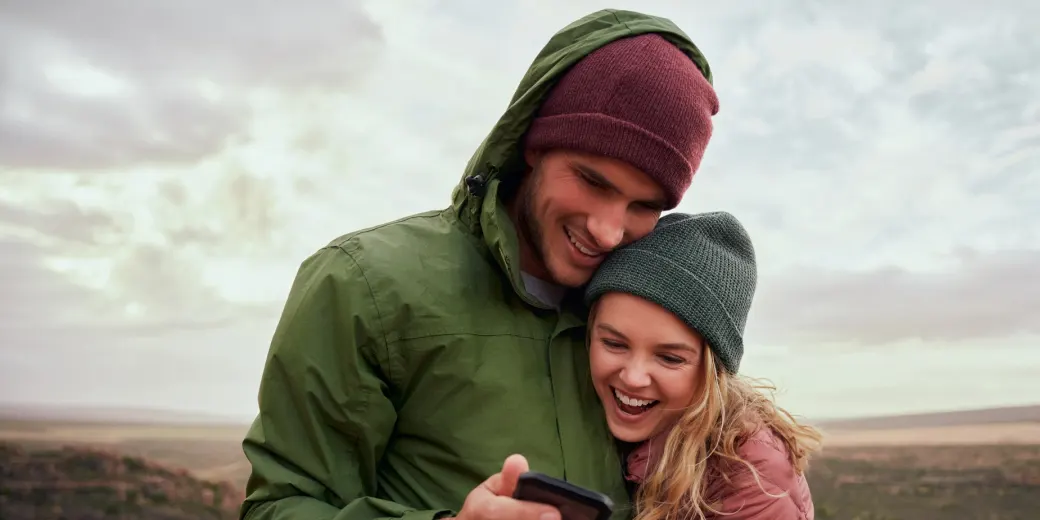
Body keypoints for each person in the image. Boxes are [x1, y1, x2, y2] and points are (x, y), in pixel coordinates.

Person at [238, 9, 721, 520]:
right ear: (534, 146)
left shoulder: (647, 303)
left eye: (643, 206)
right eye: (592, 181)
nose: (607, 229)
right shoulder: (362, 283)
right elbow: (280, 506)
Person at [583, 211, 824, 520]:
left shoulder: (753, 478)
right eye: (614, 344)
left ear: (713, 370)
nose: (633, 377)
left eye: (670, 358)